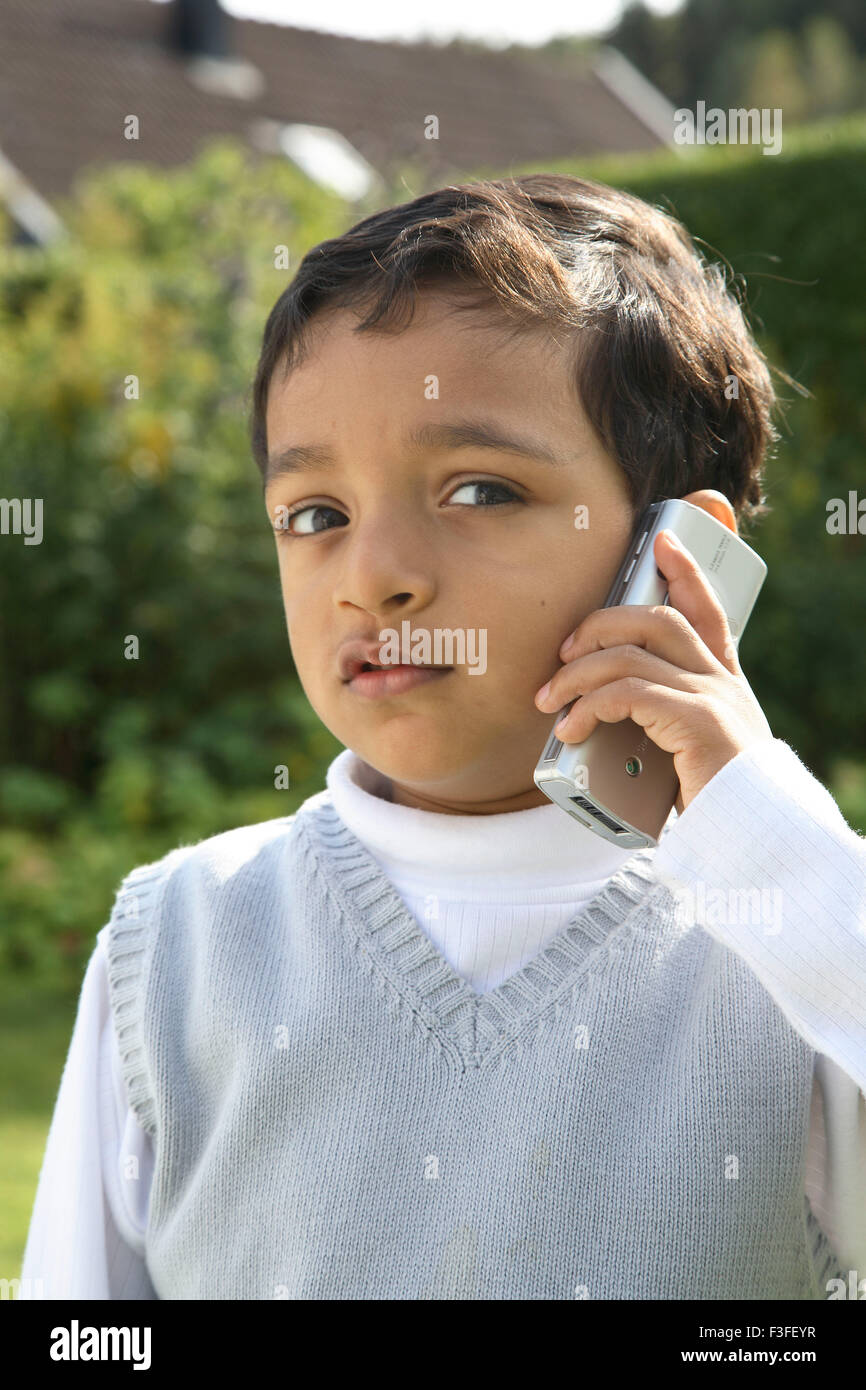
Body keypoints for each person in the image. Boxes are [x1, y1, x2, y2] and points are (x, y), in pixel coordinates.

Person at [21, 174, 866, 1299]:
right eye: (314, 515)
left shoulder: (792, 950)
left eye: (476, 489)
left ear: (669, 560)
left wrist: (755, 822)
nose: (374, 578)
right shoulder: (171, 949)